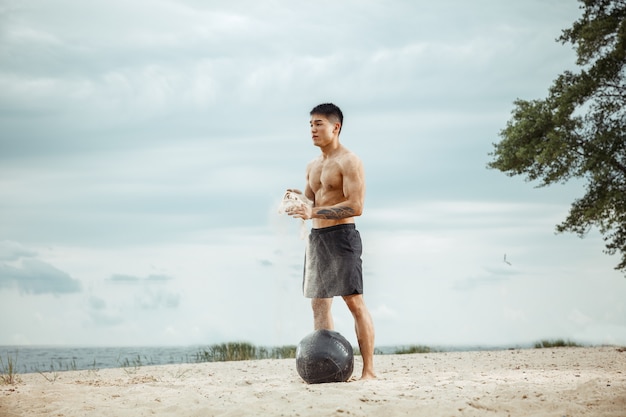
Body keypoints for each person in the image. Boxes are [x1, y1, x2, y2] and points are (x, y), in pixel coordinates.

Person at [286, 103, 376, 380]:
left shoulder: (349, 161)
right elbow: (312, 202)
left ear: (335, 127)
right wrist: (297, 199)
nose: (313, 129)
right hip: (317, 238)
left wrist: (312, 210)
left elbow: (356, 205)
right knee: (319, 303)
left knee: (353, 301)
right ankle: (323, 366)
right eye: (311, 124)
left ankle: (369, 371)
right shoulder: (312, 165)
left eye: (319, 124)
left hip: (342, 236)